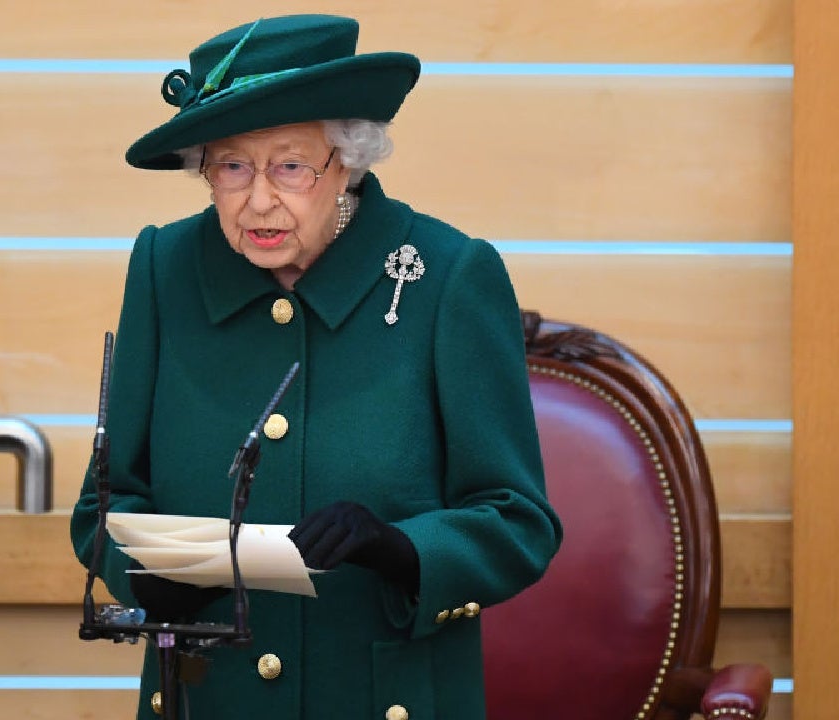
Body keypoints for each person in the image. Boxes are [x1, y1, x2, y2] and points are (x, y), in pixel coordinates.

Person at [71, 14, 562, 719]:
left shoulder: (448, 276)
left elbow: (518, 522)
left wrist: (400, 549)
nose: (258, 199)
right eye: (232, 166)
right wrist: (149, 578)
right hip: (208, 700)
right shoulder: (164, 267)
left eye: (290, 166)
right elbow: (105, 503)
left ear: (348, 161)